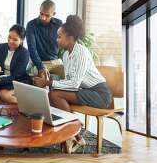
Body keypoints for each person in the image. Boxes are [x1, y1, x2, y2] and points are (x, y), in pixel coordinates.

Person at [33, 15, 112, 152]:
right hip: (87, 91)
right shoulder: (65, 55)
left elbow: (74, 84)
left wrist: (48, 82)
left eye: (59, 37)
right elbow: (68, 81)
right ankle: (68, 134)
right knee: (51, 95)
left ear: (69, 38)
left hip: (100, 94)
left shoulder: (81, 52)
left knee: (56, 95)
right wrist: (49, 82)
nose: (56, 40)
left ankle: (73, 133)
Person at [0, 24, 31, 104]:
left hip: (17, 80)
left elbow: (16, 75)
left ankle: (28, 107)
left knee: (4, 95)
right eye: (9, 37)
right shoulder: (1, 47)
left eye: (15, 39)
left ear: (22, 40)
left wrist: (1, 79)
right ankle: (2, 112)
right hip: (2, 80)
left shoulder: (24, 53)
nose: (10, 41)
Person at [26, 0, 64, 79]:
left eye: (47, 15)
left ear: (53, 14)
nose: (43, 18)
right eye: (41, 14)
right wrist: (40, 66)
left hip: (55, 62)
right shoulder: (31, 25)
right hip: (38, 62)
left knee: (69, 77)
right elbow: (32, 49)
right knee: (44, 78)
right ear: (39, 10)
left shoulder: (59, 24)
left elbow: (63, 44)